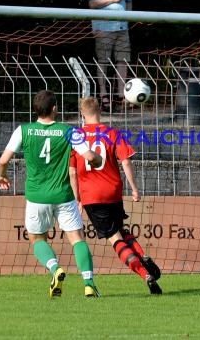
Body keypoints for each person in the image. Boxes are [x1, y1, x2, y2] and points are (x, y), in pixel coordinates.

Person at [0, 90, 104, 298]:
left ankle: (55, 269)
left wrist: (2, 176)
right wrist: (99, 161)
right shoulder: (67, 131)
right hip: (64, 196)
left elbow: (2, 161)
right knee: (77, 239)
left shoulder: (24, 131)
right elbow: (91, 157)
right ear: (54, 108)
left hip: (37, 197)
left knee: (37, 239)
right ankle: (89, 283)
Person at [69, 97, 162, 294]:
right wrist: (134, 188)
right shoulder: (113, 133)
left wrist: (76, 198)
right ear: (100, 111)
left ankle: (145, 275)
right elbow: (126, 162)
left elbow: (72, 172)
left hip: (92, 196)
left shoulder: (76, 137)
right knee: (121, 230)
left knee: (114, 238)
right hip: (113, 192)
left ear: (82, 114)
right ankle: (143, 256)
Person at [85, 0, 133, 111]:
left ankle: (121, 95)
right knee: (103, 61)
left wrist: (127, 18)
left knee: (122, 61)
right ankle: (103, 95)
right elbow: (92, 4)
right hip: (103, 29)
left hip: (121, 28)